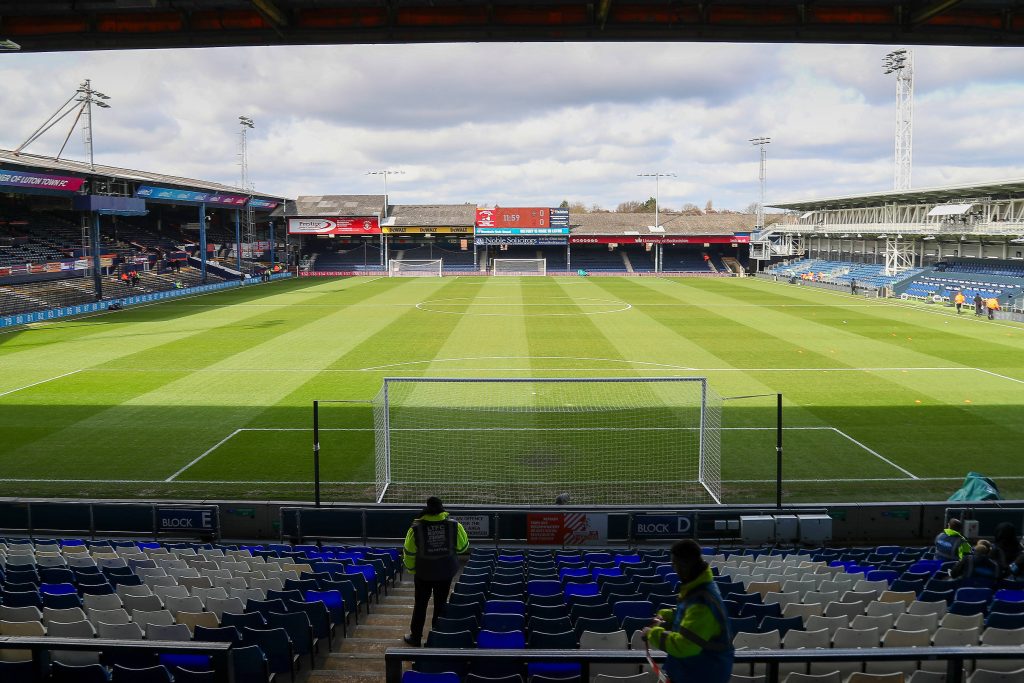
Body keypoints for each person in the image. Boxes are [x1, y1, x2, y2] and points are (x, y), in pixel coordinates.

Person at [641, 540, 734, 683]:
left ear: (684, 564)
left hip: (703, 675)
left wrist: (651, 633)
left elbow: (685, 645)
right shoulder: (700, 588)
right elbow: (690, 617)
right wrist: (667, 615)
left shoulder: (702, 603)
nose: (673, 568)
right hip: (691, 672)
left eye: (674, 564)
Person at [402, 496, 469, 647]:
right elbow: (463, 547)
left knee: (420, 604)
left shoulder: (415, 528)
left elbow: (409, 552)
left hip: (423, 574)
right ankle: (437, 637)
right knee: (441, 604)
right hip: (445, 573)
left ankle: (415, 637)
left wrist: (412, 569)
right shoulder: (454, 525)